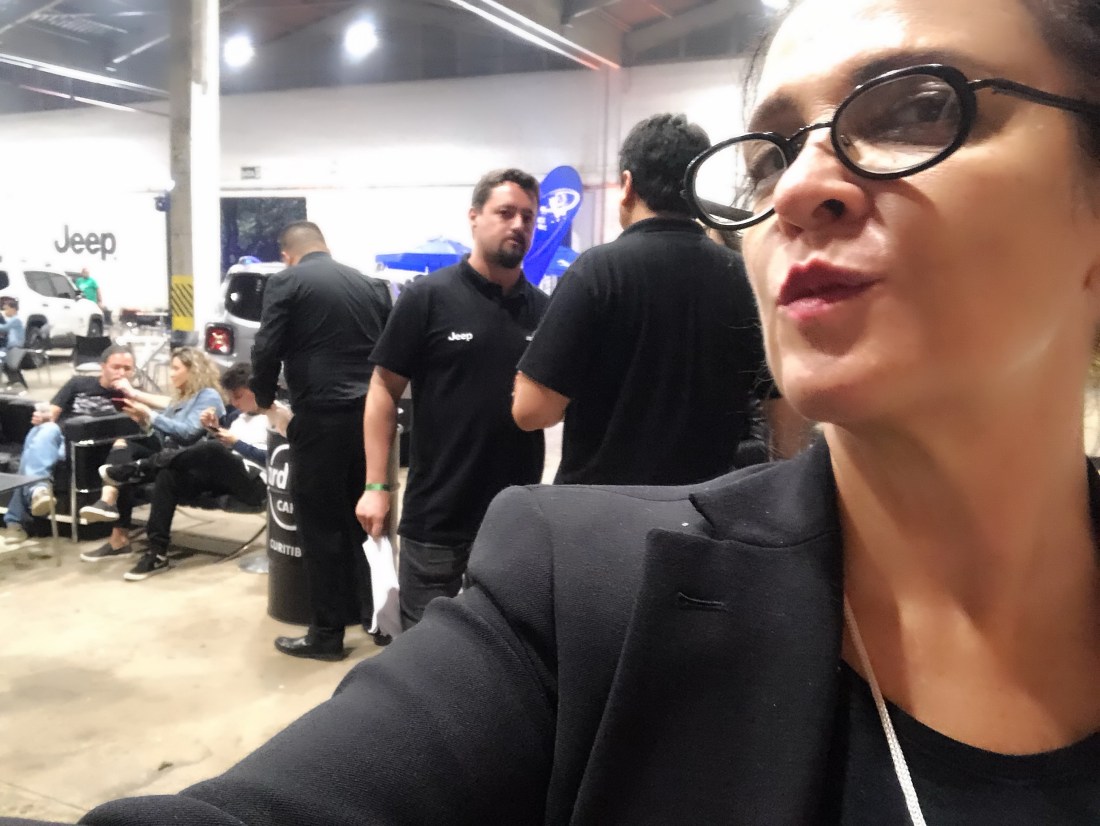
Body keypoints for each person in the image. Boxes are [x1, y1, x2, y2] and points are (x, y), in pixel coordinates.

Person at [6, 0, 1100, 821]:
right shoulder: (574, 593)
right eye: (772, 152)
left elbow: (538, 408)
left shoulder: (558, 298)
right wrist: (381, 485)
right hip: (466, 515)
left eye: (915, 108)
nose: (803, 186)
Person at [512, 114, 804, 484]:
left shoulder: (596, 272)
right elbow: (784, 414)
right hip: (702, 504)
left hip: (601, 505)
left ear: (627, 185)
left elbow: (532, 411)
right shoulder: (742, 276)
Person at [356, 168, 549, 630]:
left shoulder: (545, 311)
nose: (518, 225)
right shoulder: (428, 297)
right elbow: (383, 389)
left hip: (514, 518)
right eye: (505, 212)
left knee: (505, 646)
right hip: (437, 514)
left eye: (527, 216)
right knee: (424, 651)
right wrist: (376, 486)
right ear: (474, 217)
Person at [250, 220, 392, 660]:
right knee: (368, 521)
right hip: (372, 419)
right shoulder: (372, 286)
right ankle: (379, 620)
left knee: (321, 528)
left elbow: (266, 346)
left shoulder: (287, 282)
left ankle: (327, 635)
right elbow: (392, 351)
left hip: (321, 418)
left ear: (287, 255)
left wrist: (262, 398)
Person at [101, 362, 277, 581]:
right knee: (169, 474)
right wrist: (214, 429)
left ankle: (139, 468)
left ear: (255, 390)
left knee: (212, 449)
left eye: (238, 396)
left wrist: (236, 443)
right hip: (223, 478)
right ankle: (157, 552)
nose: (234, 402)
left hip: (255, 485)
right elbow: (224, 450)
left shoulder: (277, 417)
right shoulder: (238, 418)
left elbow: (276, 459)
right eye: (231, 397)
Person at [77, 347, 225, 576]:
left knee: (149, 472)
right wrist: (144, 422)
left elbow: (188, 434)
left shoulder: (208, 396)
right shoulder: (181, 398)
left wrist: (150, 415)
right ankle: (110, 510)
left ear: (193, 370)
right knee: (124, 448)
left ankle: (155, 552)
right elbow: (164, 438)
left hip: (194, 466)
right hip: (169, 457)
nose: (171, 374)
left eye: (175, 369)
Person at [1, 344, 135, 549]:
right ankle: (37, 492)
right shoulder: (78, 383)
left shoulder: (132, 397)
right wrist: (43, 417)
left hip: (86, 449)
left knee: (32, 450)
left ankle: (17, 518)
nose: (121, 373)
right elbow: (52, 414)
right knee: (45, 430)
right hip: (56, 442)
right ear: (103, 367)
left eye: (127, 368)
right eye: (116, 367)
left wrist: (130, 394)